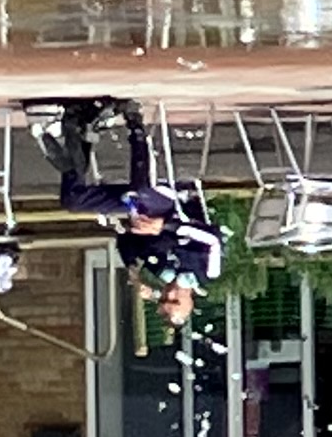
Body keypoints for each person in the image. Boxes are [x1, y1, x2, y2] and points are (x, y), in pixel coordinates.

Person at [42, 97, 222, 327]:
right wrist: (166, 226)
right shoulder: (208, 272)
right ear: (190, 304)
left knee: (74, 201)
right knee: (142, 193)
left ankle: (79, 131)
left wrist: (132, 268)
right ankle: (135, 123)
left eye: (165, 298)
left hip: (136, 206)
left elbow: (125, 240)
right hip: (175, 203)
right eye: (175, 301)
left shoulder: (157, 267)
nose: (170, 294)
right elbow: (212, 238)